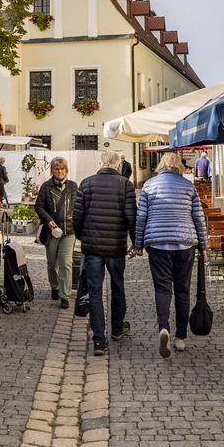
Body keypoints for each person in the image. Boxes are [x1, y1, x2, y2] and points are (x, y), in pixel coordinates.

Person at [135, 151, 208, 358]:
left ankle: (163, 328)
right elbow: (198, 218)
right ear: (180, 166)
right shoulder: (188, 186)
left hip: (157, 244)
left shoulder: (149, 185)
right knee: (183, 290)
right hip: (184, 244)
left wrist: (138, 244)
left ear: (160, 165)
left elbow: (141, 217)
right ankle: (180, 338)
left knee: (162, 288)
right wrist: (203, 245)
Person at [75, 149, 137, 357]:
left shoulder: (86, 183)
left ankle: (99, 340)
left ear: (101, 163)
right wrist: (136, 242)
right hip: (116, 246)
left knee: (95, 292)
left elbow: (77, 216)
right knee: (118, 286)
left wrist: (82, 236)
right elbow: (131, 218)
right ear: (118, 165)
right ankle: (117, 329)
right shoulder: (125, 185)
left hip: (92, 247)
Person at [34, 157, 79, 308]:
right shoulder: (46, 187)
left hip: (69, 231)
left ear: (66, 170)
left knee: (65, 262)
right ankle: (54, 286)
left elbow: (78, 206)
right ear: (52, 170)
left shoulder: (73, 186)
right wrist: (48, 220)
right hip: (52, 231)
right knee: (52, 263)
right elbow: (39, 206)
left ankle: (65, 295)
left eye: (62, 169)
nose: (59, 172)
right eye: (56, 169)